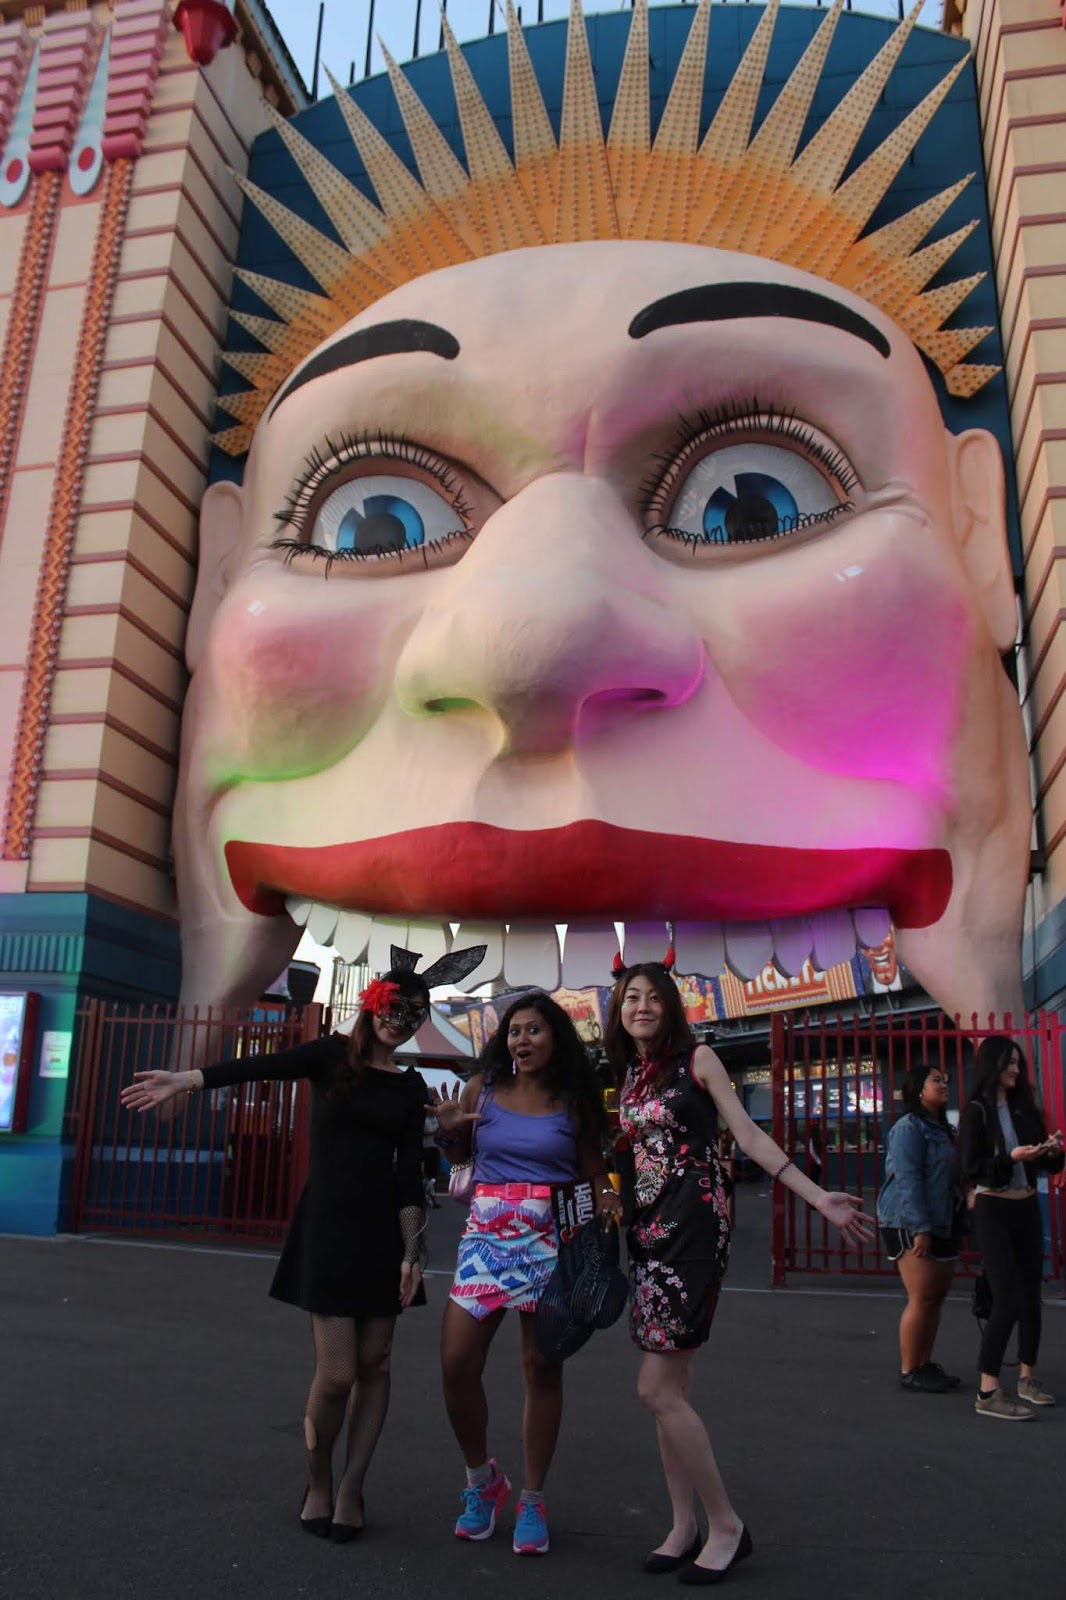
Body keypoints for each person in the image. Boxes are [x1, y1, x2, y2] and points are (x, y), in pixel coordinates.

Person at [120, 958, 447, 1541]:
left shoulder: (408, 1085)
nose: (401, 1021)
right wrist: (187, 1080)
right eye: (394, 1007)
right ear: (373, 1003)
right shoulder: (328, 1056)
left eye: (414, 1013)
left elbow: (408, 1177)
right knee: (339, 1374)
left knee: (377, 1365)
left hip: (382, 1237)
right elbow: (259, 1065)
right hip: (327, 1230)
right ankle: (318, 1480)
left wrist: (411, 1252)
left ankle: (351, 1487)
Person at [605, 959, 873, 1586]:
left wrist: (816, 1197)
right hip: (646, 1231)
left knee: (656, 1389)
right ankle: (682, 1525)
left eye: (652, 997)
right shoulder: (632, 1075)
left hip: (694, 1230)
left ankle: (726, 1526)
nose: (641, 1006)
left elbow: (748, 1134)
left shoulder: (697, 1062)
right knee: (673, 1393)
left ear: (671, 1005)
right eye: (630, 997)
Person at [429, 991, 619, 1558]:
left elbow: (594, 1172)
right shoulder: (481, 1088)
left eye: (535, 1030)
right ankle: (483, 1483)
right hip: (487, 1237)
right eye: (515, 1031)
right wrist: (447, 1132)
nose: (523, 1039)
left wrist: (610, 1207)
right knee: (457, 1362)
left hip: (551, 1240)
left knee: (541, 1369)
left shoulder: (572, 1101)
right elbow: (460, 1156)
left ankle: (532, 1497)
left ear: (555, 1037)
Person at [959, 1036, 1065, 1421]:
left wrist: (1052, 1153)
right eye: (1010, 1062)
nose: (1016, 1069)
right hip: (993, 1210)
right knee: (1009, 1298)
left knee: (1030, 1296)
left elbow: (1046, 1165)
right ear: (992, 1064)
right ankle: (988, 1391)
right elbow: (973, 1168)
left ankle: (1027, 1378)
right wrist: (1009, 1158)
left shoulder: (1024, 1108)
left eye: (1019, 1063)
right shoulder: (976, 1111)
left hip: (1026, 1208)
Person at [876, 1063, 963, 1394]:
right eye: (936, 1080)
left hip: (942, 1220)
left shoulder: (944, 1131)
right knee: (922, 1296)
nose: (944, 1084)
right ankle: (909, 1368)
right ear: (918, 1089)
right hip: (908, 1221)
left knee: (935, 1298)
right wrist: (921, 1228)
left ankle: (925, 1363)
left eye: (946, 1079)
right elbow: (908, 1180)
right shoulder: (908, 1128)